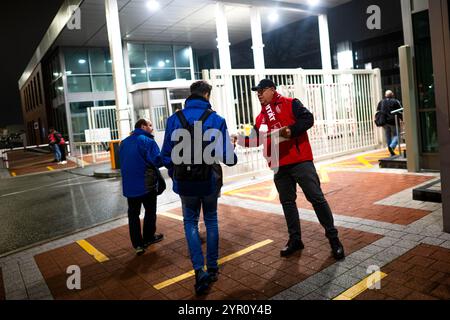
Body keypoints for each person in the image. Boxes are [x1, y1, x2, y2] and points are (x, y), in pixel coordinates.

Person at [237, 79, 345, 260]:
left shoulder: (291, 103)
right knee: (287, 203)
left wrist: (291, 130)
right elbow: (256, 139)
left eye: (262, 91)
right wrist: (240, 140)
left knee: (316, 198)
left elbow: (308, 119)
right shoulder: (261, 117)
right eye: (257, 92)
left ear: (272, 90)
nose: (259, 94)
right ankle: (295, 240)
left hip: (300, 161)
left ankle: (334, 239)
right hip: (279, 166)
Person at [162, 80, 237, 295]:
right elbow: (229, 158)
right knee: (211, 220)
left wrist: (175, 172)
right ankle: (212, 268)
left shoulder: (174, 119)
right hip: (209, 181)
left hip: (185, 183)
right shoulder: (216, 119)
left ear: (190, 95)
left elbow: (165, 155)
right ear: (206, 95)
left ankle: (199, 270)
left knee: (190, 222)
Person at [119, 119, 165, 256]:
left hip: (129, 187)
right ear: (143, 126)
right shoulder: (147, 141)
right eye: (150, 125)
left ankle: (138, 245)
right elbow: (157, 160)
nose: (152, 127)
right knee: (150, 212)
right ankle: (148, 238)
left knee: (133, 215)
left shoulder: (124, 143)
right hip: (146, 185)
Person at [376, 90, 403, 156]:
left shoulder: (381, 102)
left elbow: (378, 111)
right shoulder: (395, 101)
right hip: (393, 121)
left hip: (384, 122)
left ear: (385, 95)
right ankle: (392, 146)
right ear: (392, 94)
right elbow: (401, 110)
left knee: (388, 137)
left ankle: (391, 151)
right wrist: (402, 119)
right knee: (397, 135)